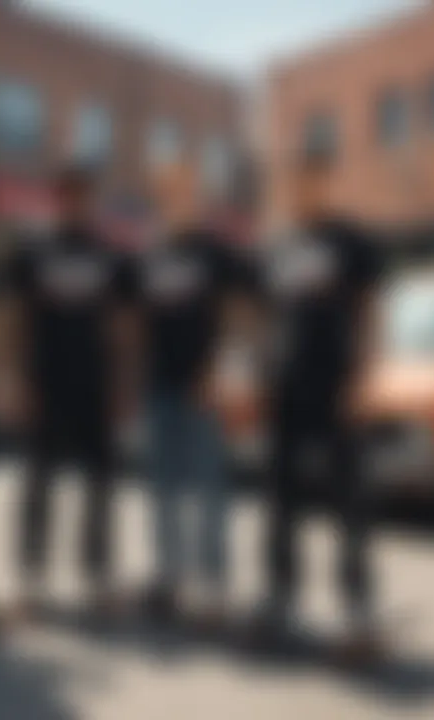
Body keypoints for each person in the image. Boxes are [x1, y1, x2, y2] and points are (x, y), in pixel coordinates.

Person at [255, 157, 384, 660]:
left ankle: (357, 607)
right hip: (286, 391)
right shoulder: (278, 246)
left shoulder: (353, 241)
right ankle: (281, 598)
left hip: (336, 389)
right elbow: (270, 318)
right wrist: (261, 372)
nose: (301, 190)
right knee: (280, 499)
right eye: (294, 182)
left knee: (349, 502)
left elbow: (372, 313)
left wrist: (362, 380)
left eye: (311, 180)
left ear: (326, 182)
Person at [5, 165, 137, 616]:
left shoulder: (111, 254)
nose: (75, 202)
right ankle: (31, 579)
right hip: (44, 384)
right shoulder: (33, 250)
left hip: (96, 386)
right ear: (55, 198)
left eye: (83, 195)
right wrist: (15, 379)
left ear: (92, 200)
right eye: (66, 194)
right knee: (38, 484)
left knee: (100, 486)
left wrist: (123, 386)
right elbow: (15, 318)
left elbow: (122, 325)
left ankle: (97, 576)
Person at [139, 162, 247, 625]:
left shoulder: (216, 252)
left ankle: (214, 587)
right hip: (159, 389)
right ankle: (169, 578)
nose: (177, 197)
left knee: (208, 491)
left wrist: (223, 369)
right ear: (161, 197)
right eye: (169, 191)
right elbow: (135, 325)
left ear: (196, 194)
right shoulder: (151, 254)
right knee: (163, 491)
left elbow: (242, 312)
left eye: (185, 189)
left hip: (203, 390)